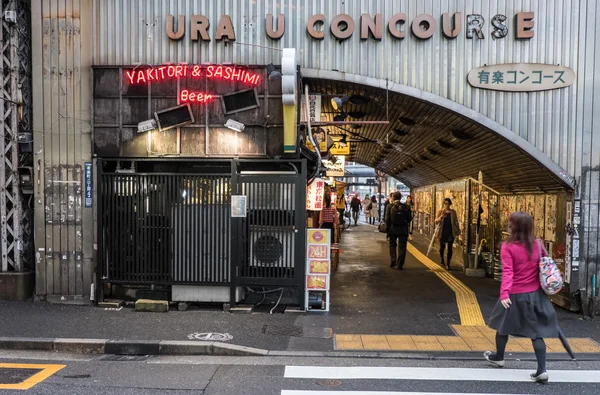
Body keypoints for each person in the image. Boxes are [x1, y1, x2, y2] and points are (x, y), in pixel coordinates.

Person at [484, 212, 560, 384]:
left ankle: (499, 357)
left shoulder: (508, 246)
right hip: (535, 295)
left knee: (502, 325)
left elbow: (508, 272)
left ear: (514, 226)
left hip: (514, 294)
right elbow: (545, 264)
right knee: (536, 333)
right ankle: (542, 370)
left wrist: (504, 293)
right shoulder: (538, 244)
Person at [385, 191, 412, 269]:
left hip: (393, 229)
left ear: (393, 198)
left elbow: (387, 219)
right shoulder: (406, 207)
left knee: (392, 245)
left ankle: (393, 261)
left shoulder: (389, 206)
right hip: (403, 229)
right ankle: (400, 264)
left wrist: (387, 230)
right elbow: (409, 218)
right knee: (402, 247)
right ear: (400, 198)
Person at [435, 198, 461, 270]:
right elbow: (436, 221)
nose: (447, 205)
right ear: (443, 204)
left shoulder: (453, 212)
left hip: (450, 232)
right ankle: (442, 259)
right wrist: (441, 217)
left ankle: (448, 263)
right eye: (445, 203)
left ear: (450, 204)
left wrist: (458, 231)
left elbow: (456, 222)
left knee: (450, 248)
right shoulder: (440, 211)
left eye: (448, 203)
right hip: (442, 232)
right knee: (442, 247)